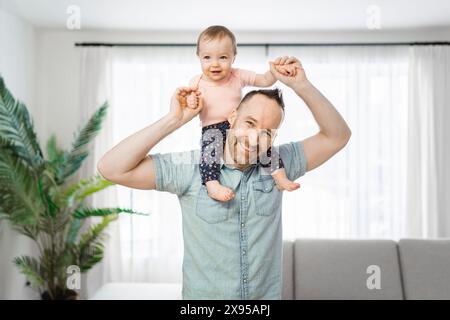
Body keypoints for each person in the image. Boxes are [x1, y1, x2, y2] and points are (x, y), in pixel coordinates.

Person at [97, 56, 351, 299]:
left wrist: (301, 85)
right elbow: (112, 168)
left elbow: (337, 136)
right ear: (232, 118)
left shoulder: (279, 164)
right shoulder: (190, 167)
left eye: (266, 133)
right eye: (249, 123)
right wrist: (173, 120)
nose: (254, 140)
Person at [188, 25, 299, 202]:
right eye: (207, 58)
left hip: (237, 125)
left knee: (265, 147)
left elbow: (263, 80)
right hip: (211, 127)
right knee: (209, 154)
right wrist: (191, 101)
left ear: (233, 58)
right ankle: (212, 184)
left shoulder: (237, 75)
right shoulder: (197, 81)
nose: (215, 63)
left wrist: (274, 72)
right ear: (199, 58)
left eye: (223, 57)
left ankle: (279, 176)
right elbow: (189, 102)